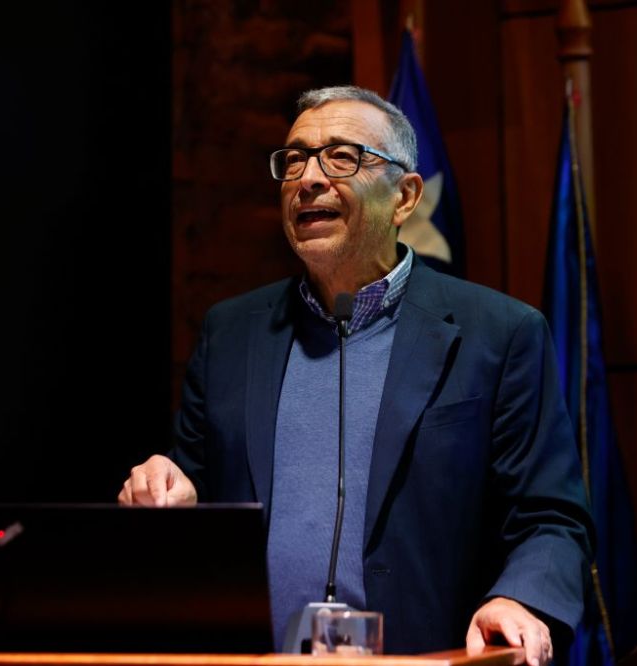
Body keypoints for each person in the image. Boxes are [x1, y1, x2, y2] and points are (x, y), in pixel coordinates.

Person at [119, 86, 592, 666]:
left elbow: (551, 517)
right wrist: (166, 488)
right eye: (293, 159)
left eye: (342, 157)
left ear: (404, 197)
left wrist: (520, 598)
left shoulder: (500, 333)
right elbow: (194, 489)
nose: (308, 179)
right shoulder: (231, 333)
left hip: (429, 656)